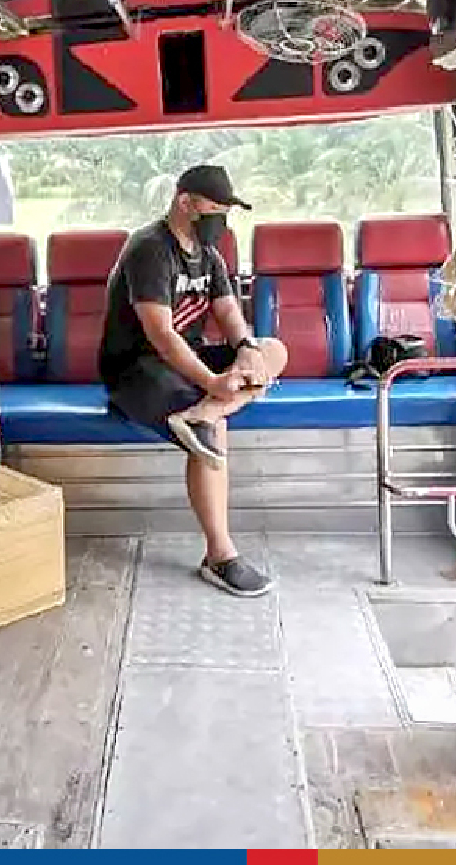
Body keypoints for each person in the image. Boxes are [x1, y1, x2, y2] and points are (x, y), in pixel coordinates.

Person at [98, 164, 288, 597]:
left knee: (274, 350)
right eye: (215, 208)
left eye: (227, 210)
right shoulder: (149, 248)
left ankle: (202, 413)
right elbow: (161, 336)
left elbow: (227, 311)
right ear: (185, 202)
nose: (222, 219)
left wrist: (246, 350)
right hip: (138, 369)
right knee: (214, 434)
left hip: (188, 359)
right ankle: (220, 557)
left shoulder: (209, 255)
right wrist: (214, 380)